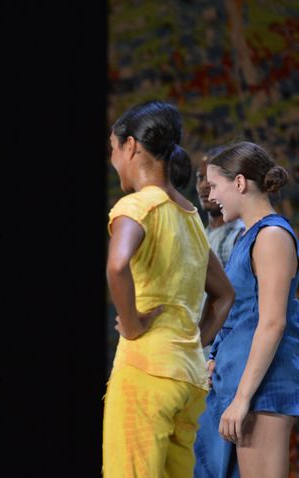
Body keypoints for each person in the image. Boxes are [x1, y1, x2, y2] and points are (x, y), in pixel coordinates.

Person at [104, 100, 235, 477]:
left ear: (131, 146)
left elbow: (117, 265)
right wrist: (195, 342)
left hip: (146, 373)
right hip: (188, 379)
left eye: (114, 150)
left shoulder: (139, 205)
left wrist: (130, 325)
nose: (114, 162)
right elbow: (225, 295)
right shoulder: (191, 216)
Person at [194, 141, 299, 478]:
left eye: (215, 186)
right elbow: (241, 314)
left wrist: (242, 399)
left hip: (262, 390)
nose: (211, 196)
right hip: (239, 385)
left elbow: (272, 323)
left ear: (239, 183)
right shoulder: (246, 238)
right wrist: (216, 357)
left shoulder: (272, 236)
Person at [195, 146, 245, 266]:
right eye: (200, 177)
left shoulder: (240, 236)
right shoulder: (201, 236)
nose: (203, 185)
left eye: (211, 179)